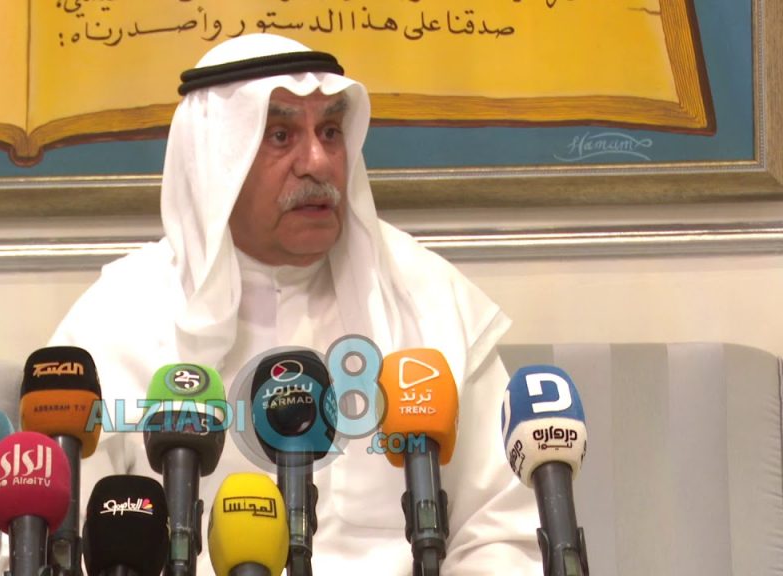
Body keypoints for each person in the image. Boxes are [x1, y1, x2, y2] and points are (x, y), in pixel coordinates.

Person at [47, 34, 543, 574]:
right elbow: (55, 539)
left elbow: (502, 530)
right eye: (281, 136)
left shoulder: (427, 298)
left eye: (330, 132)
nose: (318, 162)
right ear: (217, 162)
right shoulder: (115, 317)